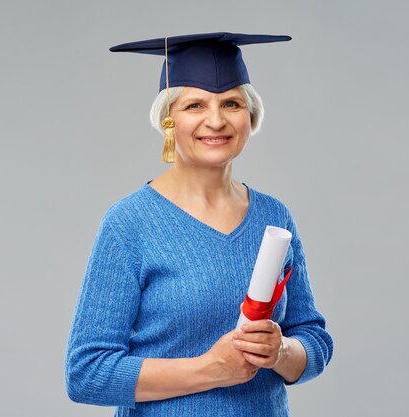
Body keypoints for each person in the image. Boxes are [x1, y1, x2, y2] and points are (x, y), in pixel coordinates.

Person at [65, 32, 333, 417]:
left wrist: (281, 351)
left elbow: (313, 339)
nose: (216, 120)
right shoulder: (130, 224)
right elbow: (86, 374)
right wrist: (210, 370)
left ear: (250, 116)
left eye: (231, 103)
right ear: (169, 120)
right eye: (195, 105)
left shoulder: (274, 217)